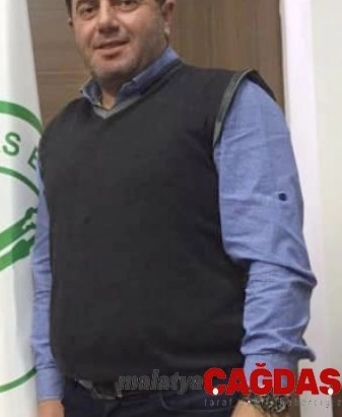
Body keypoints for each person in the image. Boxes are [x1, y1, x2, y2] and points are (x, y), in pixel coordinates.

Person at [31, 0, 316, 416]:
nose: (105, 21)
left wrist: (262, 403)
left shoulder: (232, 103)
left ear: (165, 14)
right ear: (73, 24)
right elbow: (47, 276)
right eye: (89, 9)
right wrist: (49, 395)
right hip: (79, 403)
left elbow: (277, 267)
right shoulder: (57, 137)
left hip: (202, 401)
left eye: (125, 3)